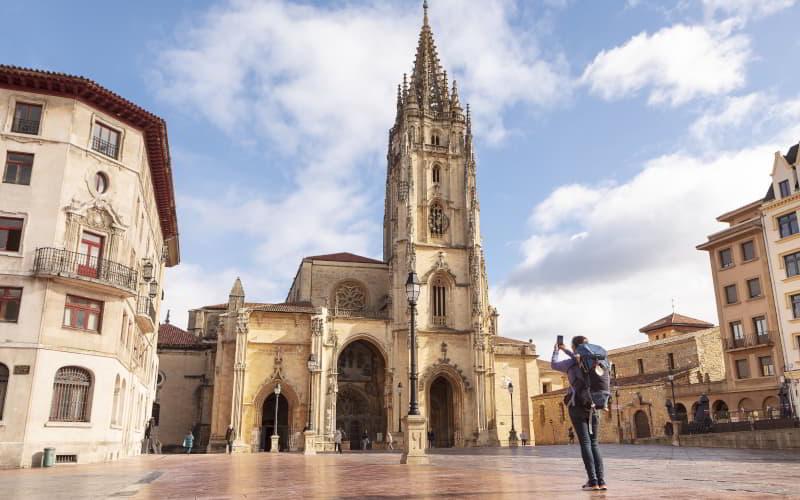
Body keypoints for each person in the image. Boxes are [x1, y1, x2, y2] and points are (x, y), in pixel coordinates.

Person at [552, 336, 606, 491]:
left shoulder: (571, 363)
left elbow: (554, 364)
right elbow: (579, 358)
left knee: (586, 443)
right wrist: (568, 350)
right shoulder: (598, 361)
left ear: (574, 347)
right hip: (595, 404)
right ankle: (601, 481)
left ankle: (593, 481)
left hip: (577, 405)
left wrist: (556, 351)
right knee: (594, 443)